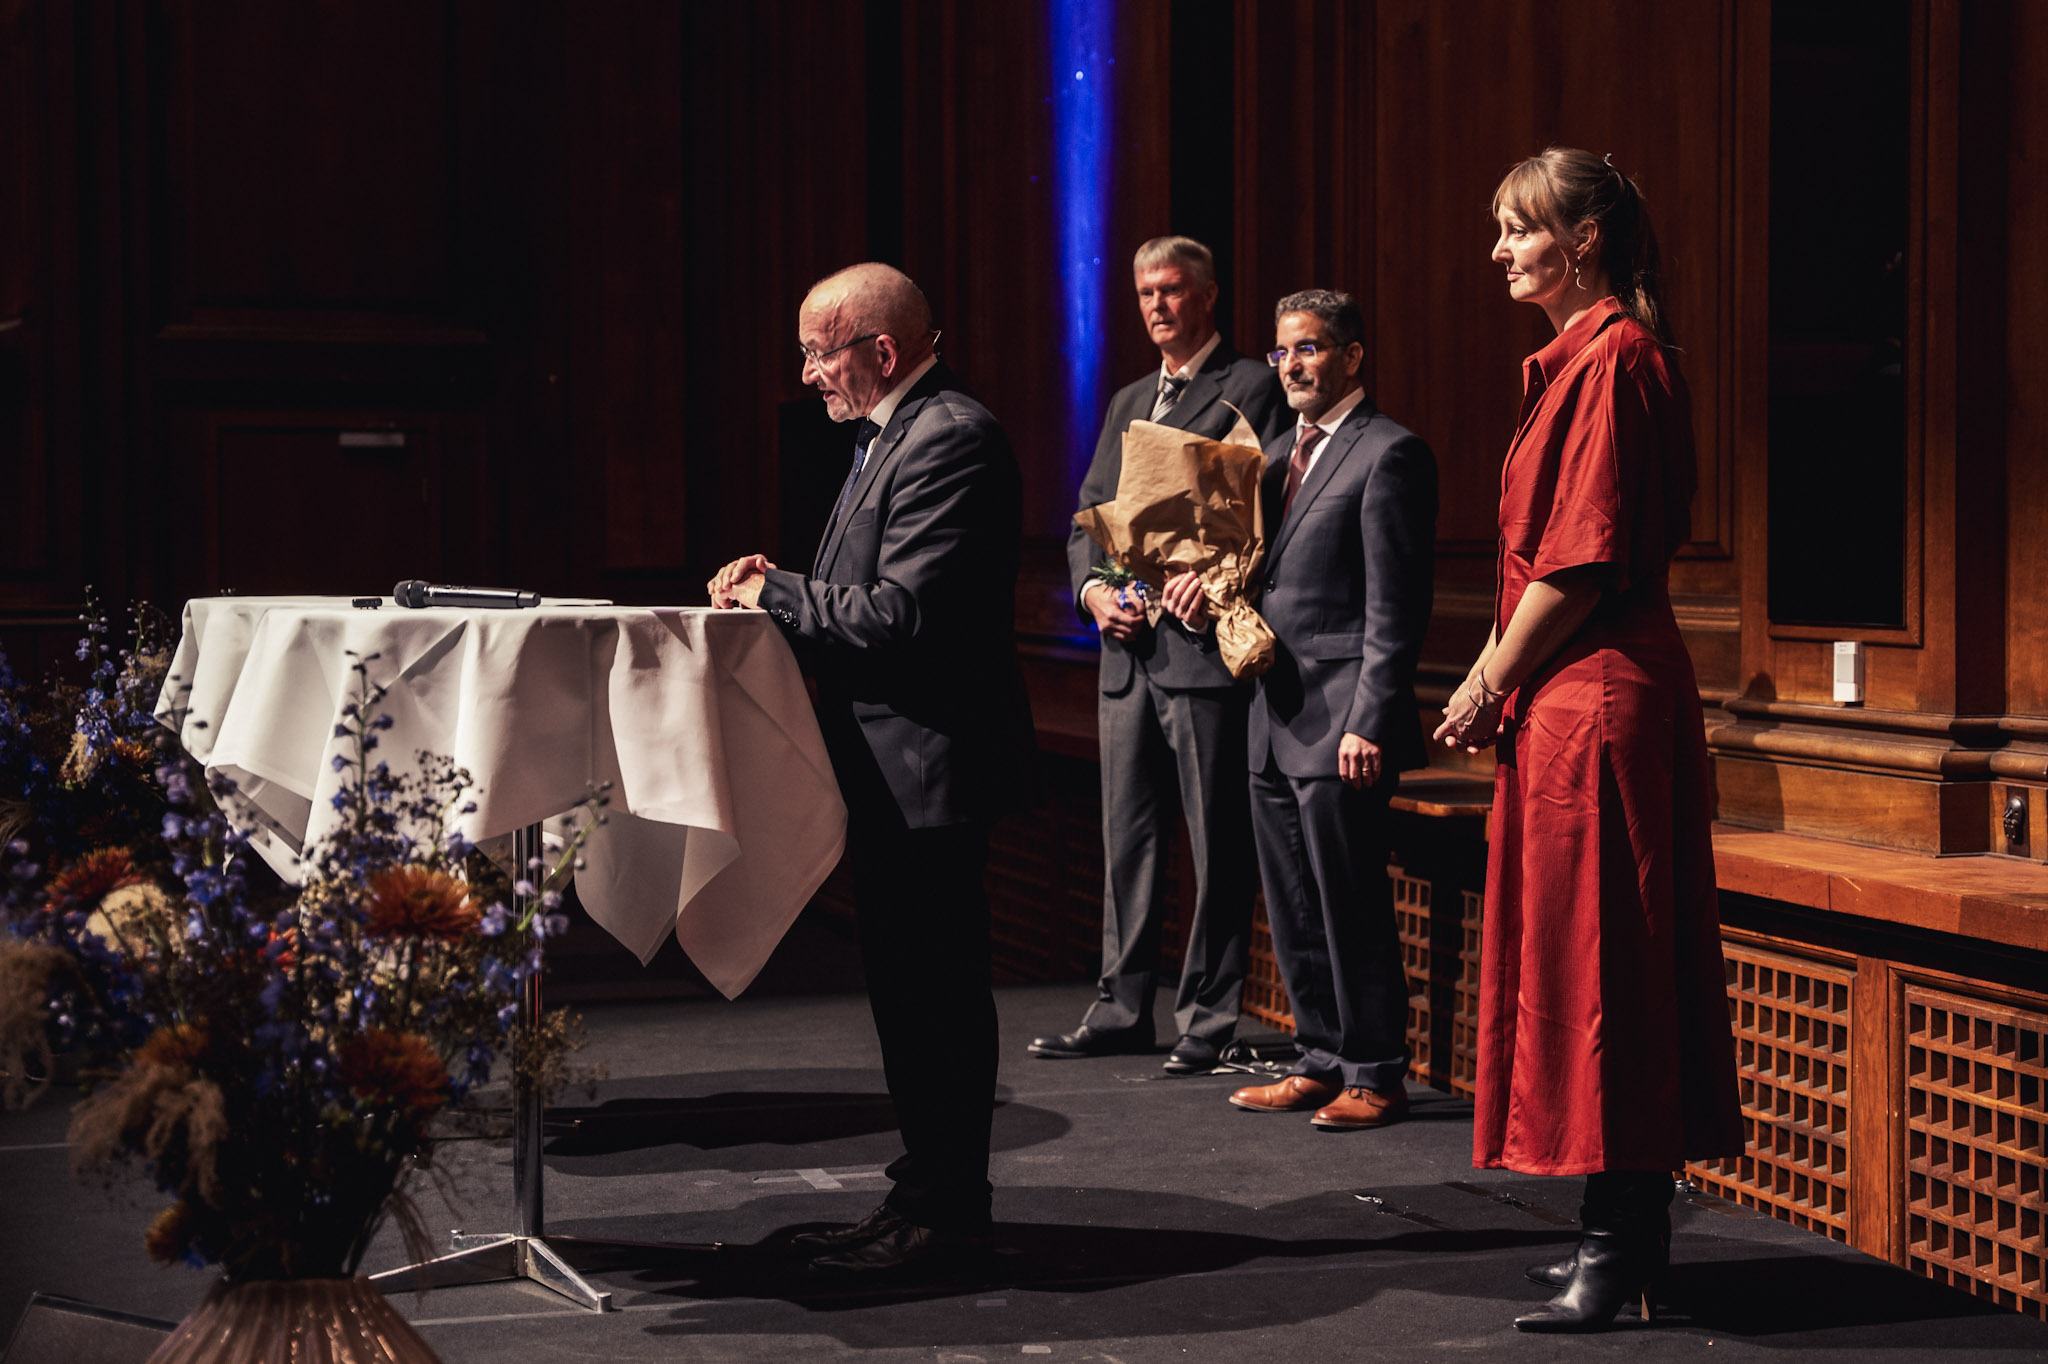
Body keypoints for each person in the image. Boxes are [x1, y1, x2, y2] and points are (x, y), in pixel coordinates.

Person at [1433, 147, 1743, 1332]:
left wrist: (1479, 684)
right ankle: (1617, 1238)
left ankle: (1618, 1248)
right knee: (1584, 964)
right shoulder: (1573, 361)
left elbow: (1578, 559)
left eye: (1519, 230)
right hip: (1569, 696)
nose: (1501, 250)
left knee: (1609, 965)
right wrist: (1500, 681)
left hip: (1598, 695)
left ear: (1584, 244)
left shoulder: (1615, 358)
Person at [709, 262, 1032, 1275]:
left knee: (934, 997)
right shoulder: (883, 437)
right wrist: (786, 589)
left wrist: (776, 592)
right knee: (906, 997)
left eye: (818, 350)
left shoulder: (949, 437)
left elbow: (898, 617)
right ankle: (920, 1199)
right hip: (887, 769)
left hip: (928, 769)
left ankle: (948, 1219)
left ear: (879, 351)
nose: (806, 373)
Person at [1165, 288, 1436, 1130]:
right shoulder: (1273, 456)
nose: (1292, 366)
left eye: (1311, 349)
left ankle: (1376, 1071)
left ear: (1353, 356)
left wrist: (1371, 718)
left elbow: (1397, 606)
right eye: (1283, 352)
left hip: (1342, 721)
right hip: (1271, 716)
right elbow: (1261, 579)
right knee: (1289, 901)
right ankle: (1319, 1059)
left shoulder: (1389, 452)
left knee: (1349, 901)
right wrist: (1200, 589)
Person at [1030, 236, 1287, 1075]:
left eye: (1173, 290)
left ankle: (1208, 1018)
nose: (1157, 305)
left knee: (1214, 844)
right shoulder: (1130, 396)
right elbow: (1089, 516)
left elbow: (1267, 512)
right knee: (1128, 840)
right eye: (1145, 292)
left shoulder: (1250, 385)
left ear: (1209, 296)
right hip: (1126, 651)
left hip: (1200, 653)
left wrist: (1209, 581)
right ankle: (1119, 1007)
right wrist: (1094, 592)